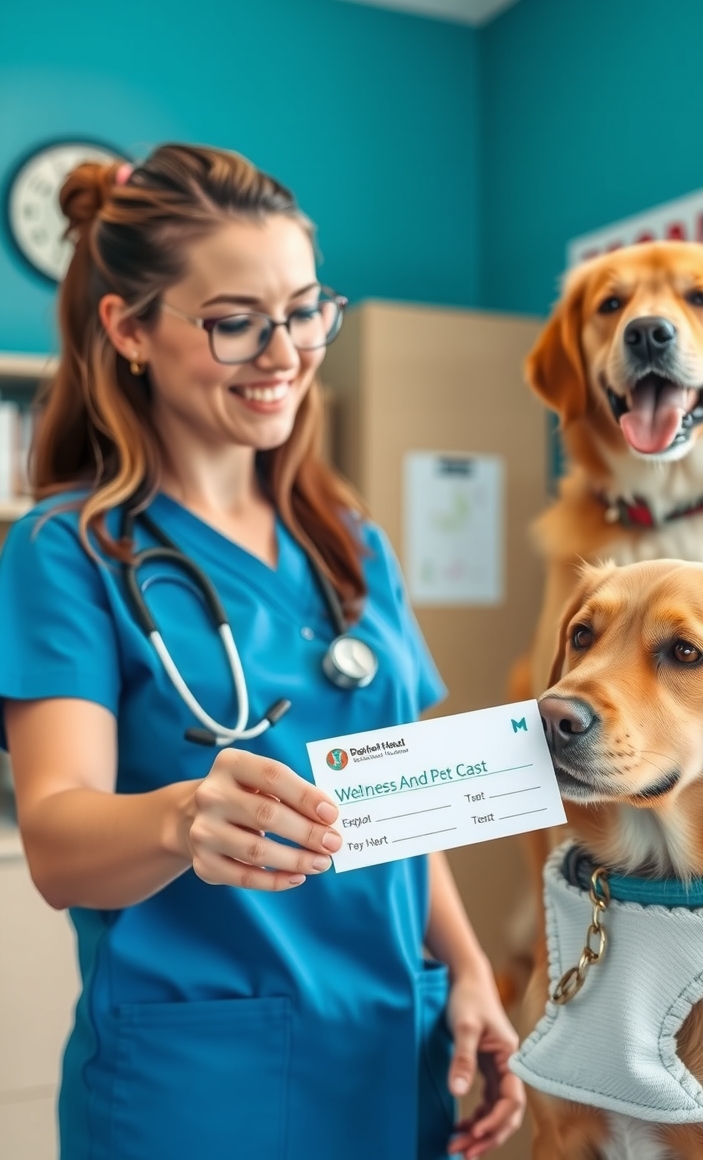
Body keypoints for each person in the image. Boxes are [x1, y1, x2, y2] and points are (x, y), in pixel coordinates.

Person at [0, 143, 525, 1160]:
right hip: (201, 1084)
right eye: (236, 321)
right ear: (130, 329)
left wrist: (467, 970)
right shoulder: (67, 551)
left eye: (305, 310)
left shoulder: (350, 544)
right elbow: (58, 843)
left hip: (396, 1053)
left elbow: (405, 800)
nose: (283, 353)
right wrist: (183, 815)